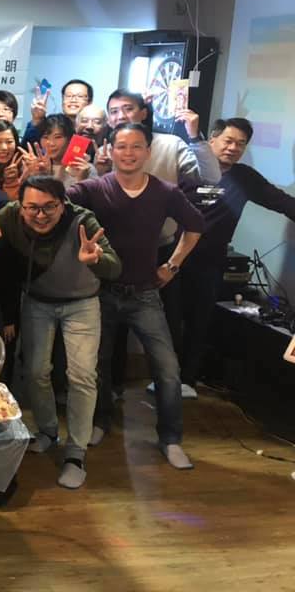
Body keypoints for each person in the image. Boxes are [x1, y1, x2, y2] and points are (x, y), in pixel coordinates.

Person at [67, 123, 204, 469]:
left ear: (147, 152)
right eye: (122, 146)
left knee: (167, 368)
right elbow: (55, 207)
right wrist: (66, 177)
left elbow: (195, 226)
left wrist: (172, 265)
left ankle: (170, 438)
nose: (128, 153)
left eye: (136, 147)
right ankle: (100, 421)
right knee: (98, 364)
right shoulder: (95, 187)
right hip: (101, 292)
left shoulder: (165, 191)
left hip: (145, 294)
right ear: (110, 151)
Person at [0, 175, 121, 489]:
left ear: (62, 204)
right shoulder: (11, 216)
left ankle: (76, 452)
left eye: (49, 207)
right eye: (32, 208)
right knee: (36, 370)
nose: (40, 215)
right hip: (37, 302)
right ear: (21, 206)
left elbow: (115, 266)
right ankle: (47, 430)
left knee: (82, 376)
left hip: (82, 303)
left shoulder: (82, 220)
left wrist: (95, 259)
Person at [103, 89, 220, 397]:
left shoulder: (170, 144)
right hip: (113, 251)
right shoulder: (106, 147)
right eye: (114, 111)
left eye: (128, 109)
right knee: (112, 326)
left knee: (166, 320)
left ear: (144, 112)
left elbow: (211, 177)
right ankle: (112, 387)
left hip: (161, 248)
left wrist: (195, 136)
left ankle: (168, 384)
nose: (121, 116)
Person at [179, 118, 295, 392]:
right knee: (168, 319)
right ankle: (161, 377)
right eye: (228, 141)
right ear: (212, 140)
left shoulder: (244, 177)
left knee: (199, 321)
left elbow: (281, 201)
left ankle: (186, 380)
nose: (233, 148)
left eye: (240, 144)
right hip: (173, 255)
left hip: (210, 260)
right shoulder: (186, 167)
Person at [24, 79, 93, 146]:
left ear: (90, 102)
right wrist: (37, 120)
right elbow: (26, 149)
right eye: (68, 96)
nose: (73, 100)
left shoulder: (94, 129)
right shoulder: (50, 125)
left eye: (80, 96)